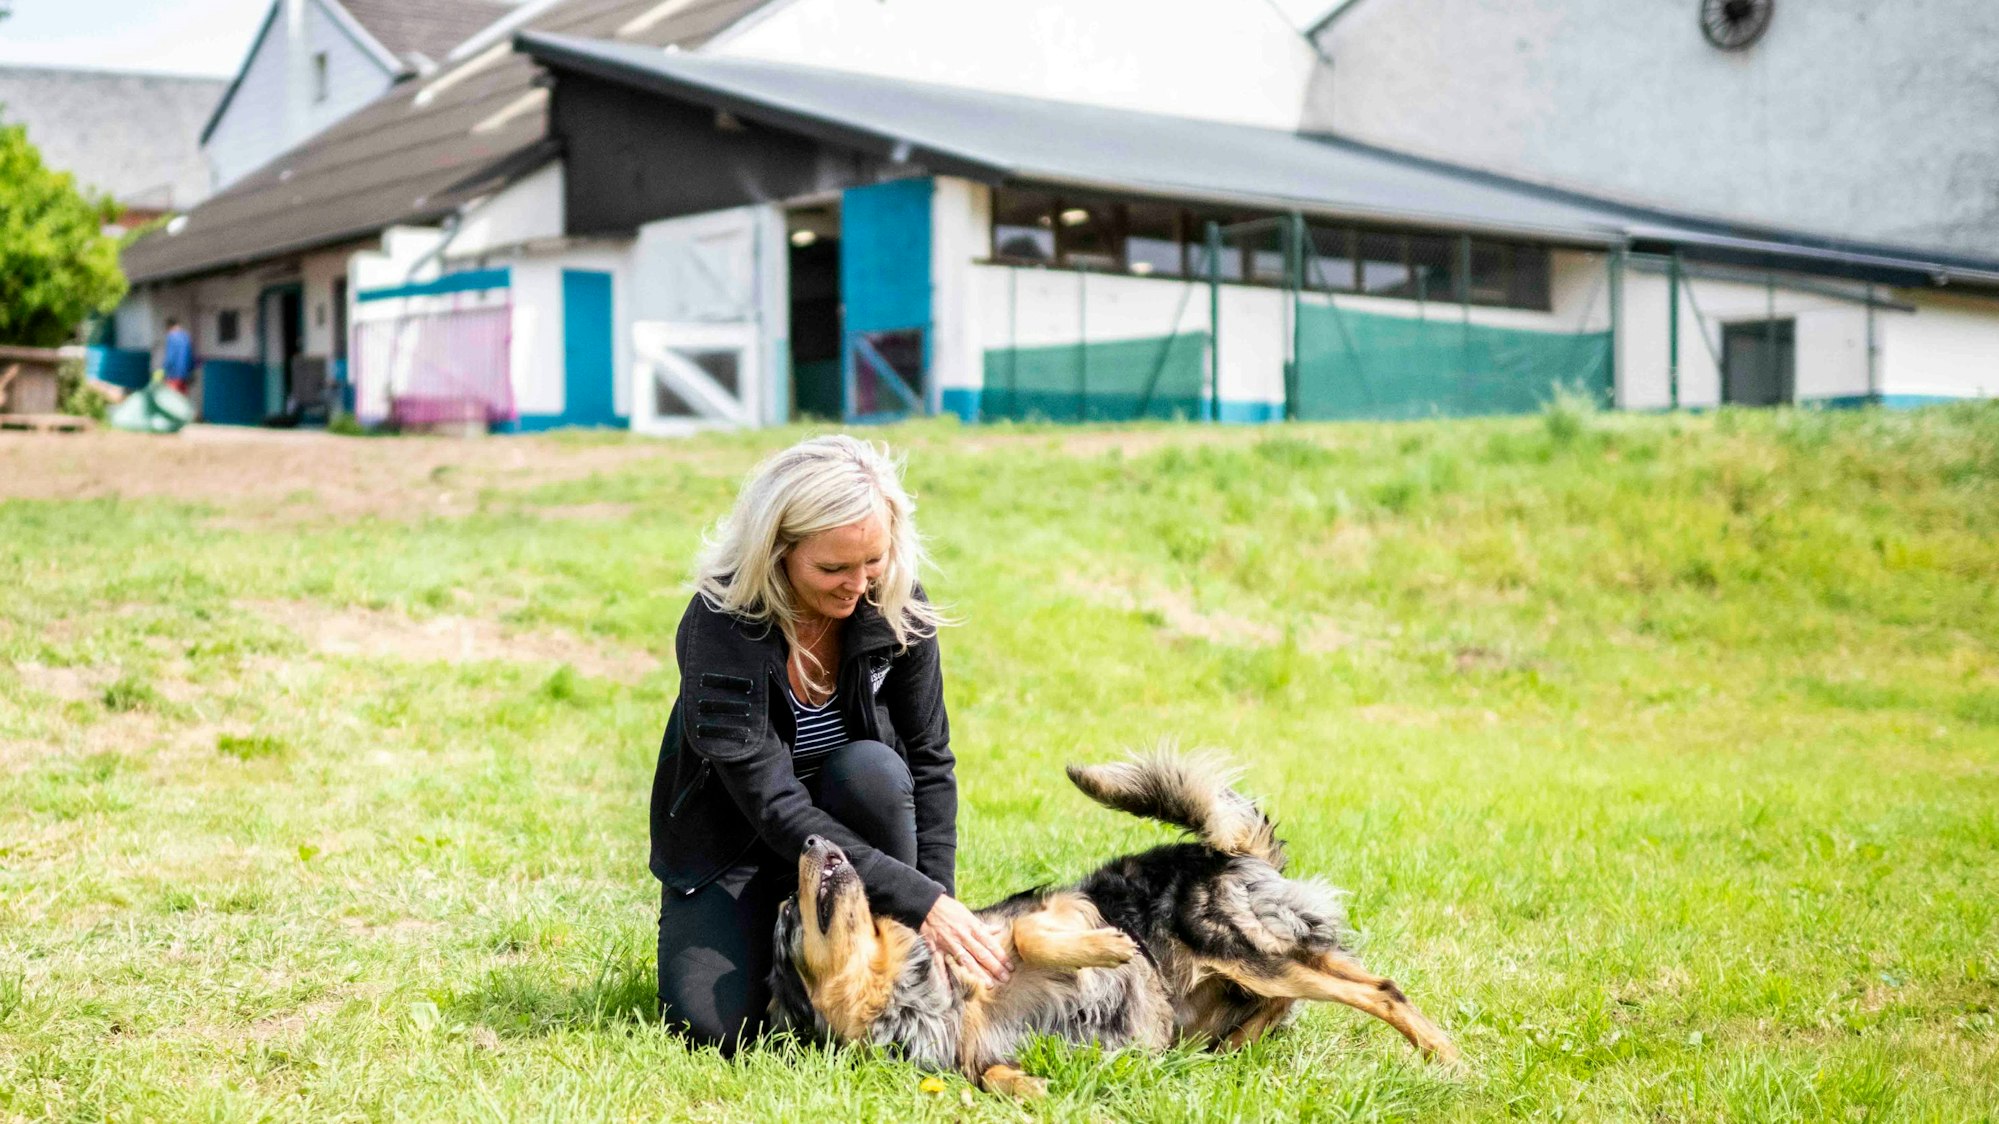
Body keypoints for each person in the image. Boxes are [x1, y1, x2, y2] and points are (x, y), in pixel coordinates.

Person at [649, 436, 1010, 1053]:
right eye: (833, 569)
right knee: (716, 1032)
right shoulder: (719, 625)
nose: (857, 586)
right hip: (739, 840)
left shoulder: (894, 600)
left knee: (872, 769)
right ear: (778, 552)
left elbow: (929, 761)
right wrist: (922, 900)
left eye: (872, 561)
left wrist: (933, 905)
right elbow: (775, 809)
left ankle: (874, 933)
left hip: (858, 818)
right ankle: (767, 924)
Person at [161, 318, 195, 394]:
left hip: (173, 375)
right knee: (182, 400)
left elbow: (170, 358)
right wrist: (191, 372)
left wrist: (164, 371)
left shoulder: (171, 337)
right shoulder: (186, 337)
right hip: (185, 376)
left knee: (172, 400)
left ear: (169, 327)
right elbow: (191, 357)